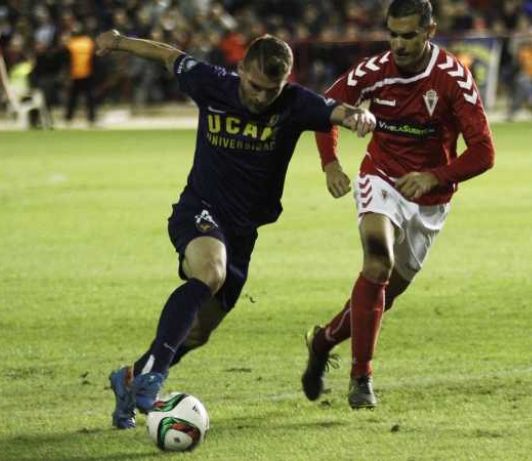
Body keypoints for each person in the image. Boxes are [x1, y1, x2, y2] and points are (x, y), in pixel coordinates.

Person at [95, 29, 376, 429]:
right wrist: (119, 41)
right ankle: (152, 374)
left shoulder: (295, 102)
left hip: (243, 232)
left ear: (286, 81)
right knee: (210, 271)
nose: (261, 97)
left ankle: (128, 379)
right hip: (199, 210)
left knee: (198, 332)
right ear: (241, 69)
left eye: (271, 90)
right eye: (255, 86)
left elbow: (338, 112)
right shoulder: (212, 83)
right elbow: (168, 54)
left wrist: (360, 116)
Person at [301, 0, 495, 409]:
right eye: (392, 34)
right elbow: (325, 109)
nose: (399, 44)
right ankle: (362, 377)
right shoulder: (373, 71)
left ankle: (323, 342)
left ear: (430, 32)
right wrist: (331, 163)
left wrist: (434, 176)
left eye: (408, 35)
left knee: (385, 294)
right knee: (378, 263)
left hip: (430, 198)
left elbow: (484, 152)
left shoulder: (453, 78)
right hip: (381, 177)